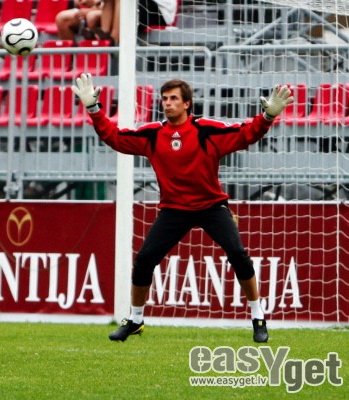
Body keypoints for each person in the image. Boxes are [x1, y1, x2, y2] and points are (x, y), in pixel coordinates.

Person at [72, 73, 293, 343]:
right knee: (144, 261)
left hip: (211, 206)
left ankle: (258, 316)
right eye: (164, 99)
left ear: (187, 103)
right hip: (174, 209)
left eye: (173, 98)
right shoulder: (153, 134)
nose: (167, 103)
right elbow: (115, 137)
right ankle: (136, 319)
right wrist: (94, 109)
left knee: (238, 254)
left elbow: (246, 134)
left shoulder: (206, 130)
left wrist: (267, 116)